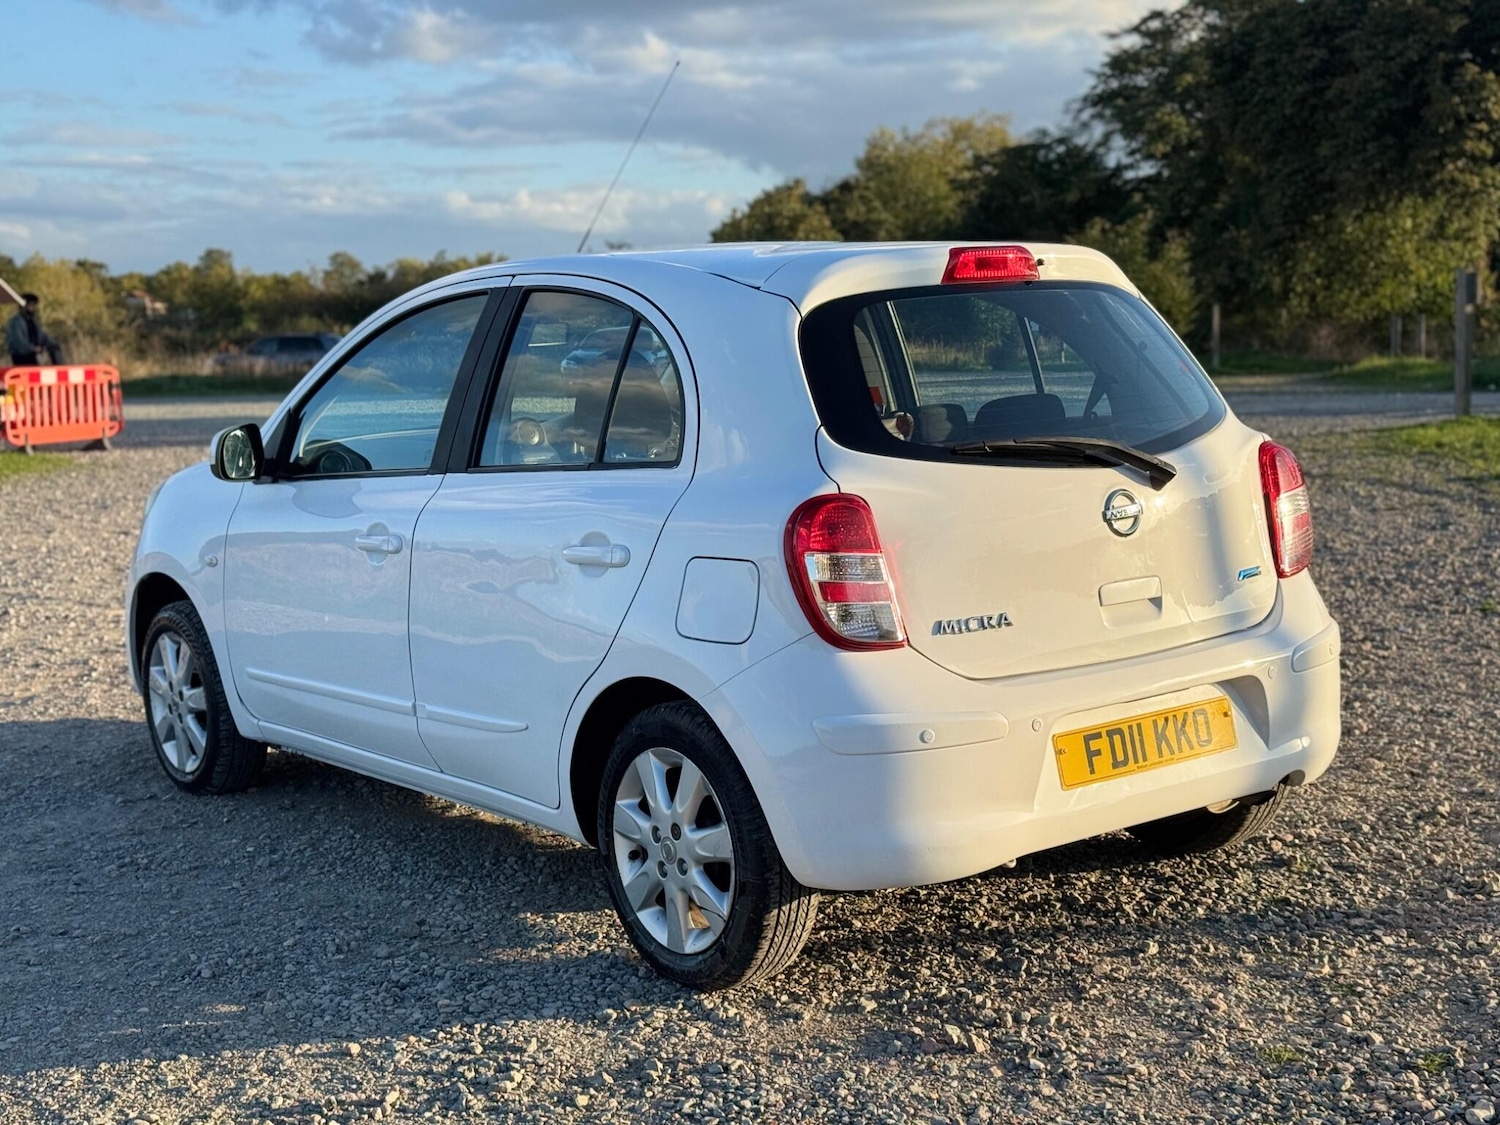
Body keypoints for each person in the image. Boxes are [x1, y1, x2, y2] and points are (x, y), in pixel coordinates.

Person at [6, 294, 64, 366]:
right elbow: (18, 342)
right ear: (23, 307)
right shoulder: (15, 322)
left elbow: (41, 336)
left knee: (54, 346)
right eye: (31, 305)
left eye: (34, 305)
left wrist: (52, 344)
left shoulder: (32, 322)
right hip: (21, 358)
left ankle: (59, 368)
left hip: (32, 355)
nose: (33, 308)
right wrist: (33, 349)